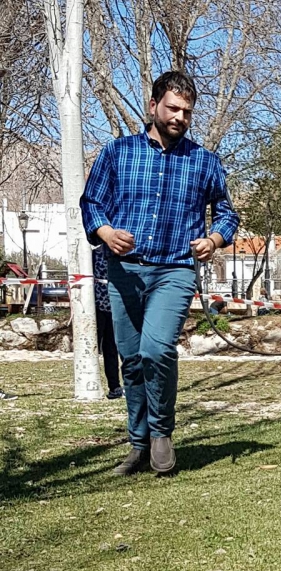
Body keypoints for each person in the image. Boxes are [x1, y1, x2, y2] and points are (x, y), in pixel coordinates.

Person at [80, 70, 240, 476]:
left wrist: (215, 241)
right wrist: (105, 232)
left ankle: (162, 431)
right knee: (131, 359)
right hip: (125, 271)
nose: (179, 117)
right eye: (172, 108)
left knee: (156, 350)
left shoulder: (204, 161)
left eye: (187, 111)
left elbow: (227, 214)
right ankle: (138, 444)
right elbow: (91, 202)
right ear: (153, 106)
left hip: (175, 270)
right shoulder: (117, 153)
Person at [92, 245, 123, 400]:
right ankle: (91, 384)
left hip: (114, 308)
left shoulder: (118, 255)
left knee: (111, 349)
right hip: (95, 309)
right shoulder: (91, 256)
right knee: (93, 348)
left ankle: (115, 387)